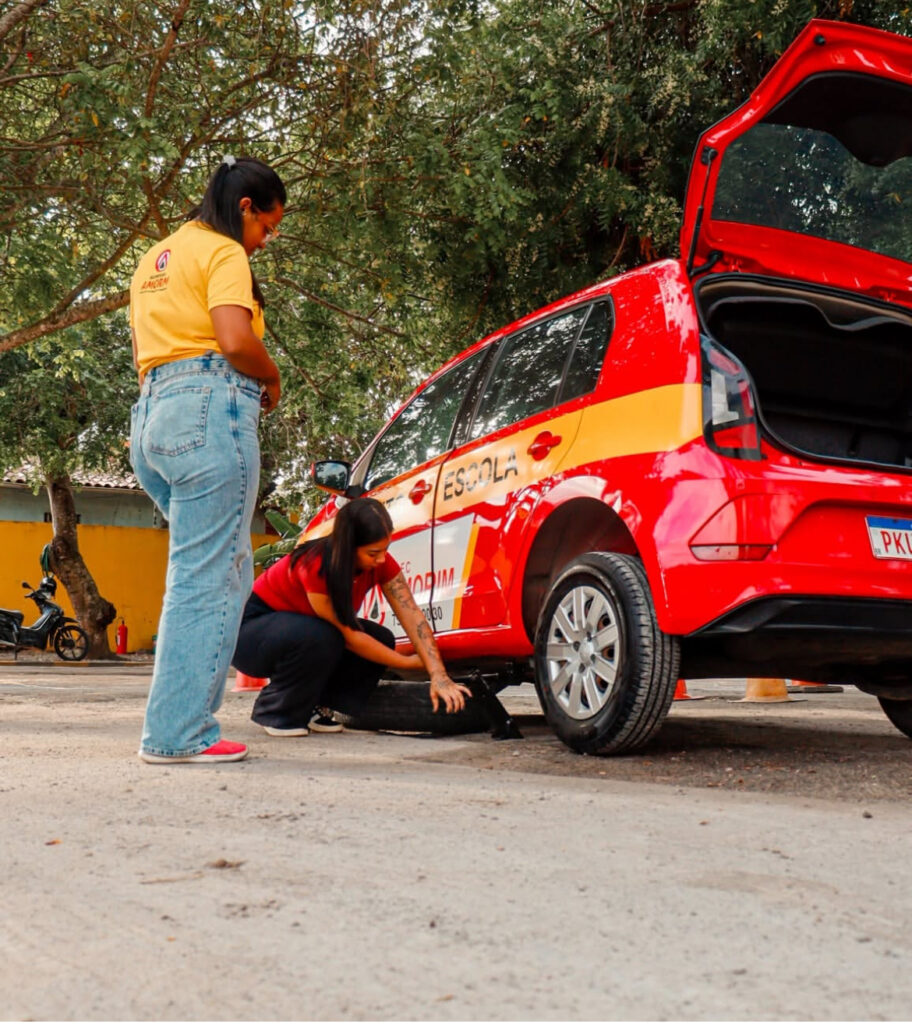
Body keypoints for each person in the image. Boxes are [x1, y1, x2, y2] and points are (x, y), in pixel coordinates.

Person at [129, 155, 286, 764]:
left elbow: (145, 348)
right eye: (267, 227)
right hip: (208, 412)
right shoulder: (224, 253)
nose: (266, 242)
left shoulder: (157, 256)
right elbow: (235, 339)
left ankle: (181, 722)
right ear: (244, 207)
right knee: (205, 579)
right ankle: (177, 734)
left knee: (218, 573)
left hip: (153, 419)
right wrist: (272, 381)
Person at [232, 497, 471, 736]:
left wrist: (438, 674)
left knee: (380, 637)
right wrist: (407, 663)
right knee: (324, 635)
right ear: (348, 546)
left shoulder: (382, 563)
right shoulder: (316, 565)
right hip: (248, 637)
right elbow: (349, 637)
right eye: (373, 553)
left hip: (301, 632)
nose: (381, 559)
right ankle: (276, 712)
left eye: (385, 550)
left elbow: (412, 615)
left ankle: (318, 707)